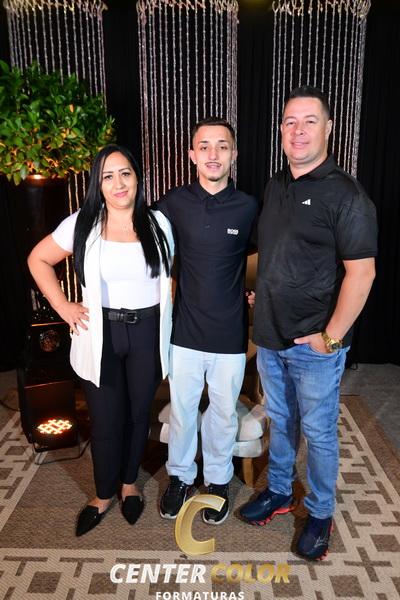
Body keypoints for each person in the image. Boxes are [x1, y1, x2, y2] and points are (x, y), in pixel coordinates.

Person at [239, 86, 378, 559]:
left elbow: (362, 274)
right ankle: (280, 491)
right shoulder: (276, 185)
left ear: (328, 128)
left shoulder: (347, 195)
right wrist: (265, 292)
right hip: (271, 335)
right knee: (281, 421)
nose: (298, 131)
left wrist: (331, 337)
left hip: (314, 344)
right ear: (281, 129)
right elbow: (282, 252)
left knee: (318, 433)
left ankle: (320, 513)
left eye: (309, 121)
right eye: (290, 122)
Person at [28, 144, 174, 536]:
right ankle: (103, 493)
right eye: (108, 176)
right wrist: (63, 306)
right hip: (101, 333)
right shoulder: (82, 223)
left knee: (137, 415)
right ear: (98, 184)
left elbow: (171, 276)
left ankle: (129, 485)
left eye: (125, 173)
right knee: (106, 420)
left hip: (146, 332)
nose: (118, 183)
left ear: (138, 177)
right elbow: (38, 259)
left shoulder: (158, 223)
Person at [155, 117, 259, 524]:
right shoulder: (173, 203)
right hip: (184, 332)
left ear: (234, 154)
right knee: (182, 410)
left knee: (223, 413)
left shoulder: (248, 207)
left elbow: (270, 257)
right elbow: (141, 243)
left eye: (222, 146)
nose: (213, 154)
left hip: (229, 333)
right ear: (192, 155)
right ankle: (180, 478)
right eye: (205, 146)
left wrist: (259, 292)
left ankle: (217, 481)